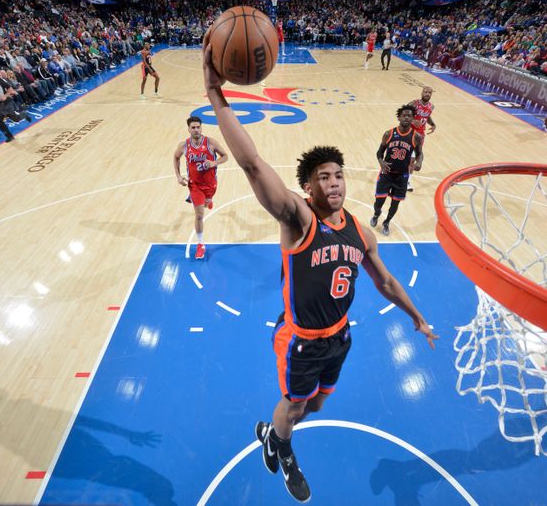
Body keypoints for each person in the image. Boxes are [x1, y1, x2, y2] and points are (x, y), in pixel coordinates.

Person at [202, 37, 437, 503]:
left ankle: (276, 431)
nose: (333, 183)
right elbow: (250, 164)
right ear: (307, 188)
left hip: (339, 336)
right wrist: (214, 93)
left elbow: (386, 281)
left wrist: (415, 314)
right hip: (300, 341)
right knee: (294, 405)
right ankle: (280, 444)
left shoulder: (359, 232)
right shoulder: (298, 219)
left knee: (318, 403)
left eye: (338, 175)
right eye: (323, 177)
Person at [173, 115, 228, 260]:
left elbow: (225, 156)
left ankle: (208, 200)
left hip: (210, 184)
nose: (196, 130)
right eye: (193, 128)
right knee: (199, 215)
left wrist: (213, 163)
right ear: (189, 129)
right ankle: (201, 244)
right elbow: (176, 157)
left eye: (198, 127)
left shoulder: (211, 142)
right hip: (195, 185)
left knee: (206, 203)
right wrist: (178, 176)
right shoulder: (184, 146)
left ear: (201, 128)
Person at [370, 104, 422, 236]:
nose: (406, 118)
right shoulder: (389, 134)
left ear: (412, 119)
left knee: (395, 204)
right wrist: (381, 162)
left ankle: (387, 222)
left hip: (402, 176)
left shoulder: (416, 137)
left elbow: (420, 153)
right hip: (386, 174)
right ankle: (377, 214)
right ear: (399, 118)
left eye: (409, 116)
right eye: (404, 115)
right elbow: (379, 153)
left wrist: (419, 162)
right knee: (378, 202)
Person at [407, 86, 436, 191]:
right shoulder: (413, 104)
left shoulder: (431, 106)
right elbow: (402, 115)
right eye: (425, 92)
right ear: (421, 92)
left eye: (429, 92)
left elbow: (427, 117)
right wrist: (411, 120)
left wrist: (433, 124)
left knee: (412, 159)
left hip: (420, 134)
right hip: (409, 132)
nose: (427, 94)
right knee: (404, 158)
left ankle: (407, 182)